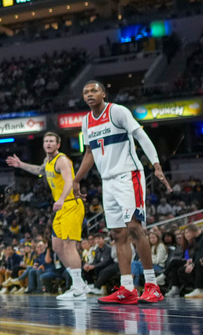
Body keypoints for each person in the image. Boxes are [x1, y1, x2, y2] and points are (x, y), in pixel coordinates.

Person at [72, 80, 171, 304]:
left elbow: (141, 136)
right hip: (108, 182)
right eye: (85, 91)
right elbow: (90, 153)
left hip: (129, 175)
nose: (89, 94)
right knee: (117, 234)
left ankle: (152, 285)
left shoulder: (117, 111)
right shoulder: (87, 121)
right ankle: (127, 288)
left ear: (103, 93)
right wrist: (77, 179)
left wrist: (155, 164)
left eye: (94, 90)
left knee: (135, 228)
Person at [8, 131, 88, 300]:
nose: (49, 143)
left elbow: (69, 181)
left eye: (52, 141)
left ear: (58, 144)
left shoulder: (62, 160)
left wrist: (60, 199)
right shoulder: (48, 161)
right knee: (57, 247)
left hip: (70, 205)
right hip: (61, 208)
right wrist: (20, 164)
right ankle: (79, 284)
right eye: (46, 141)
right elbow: (39, 170)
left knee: (68, 246)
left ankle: (78, 288)